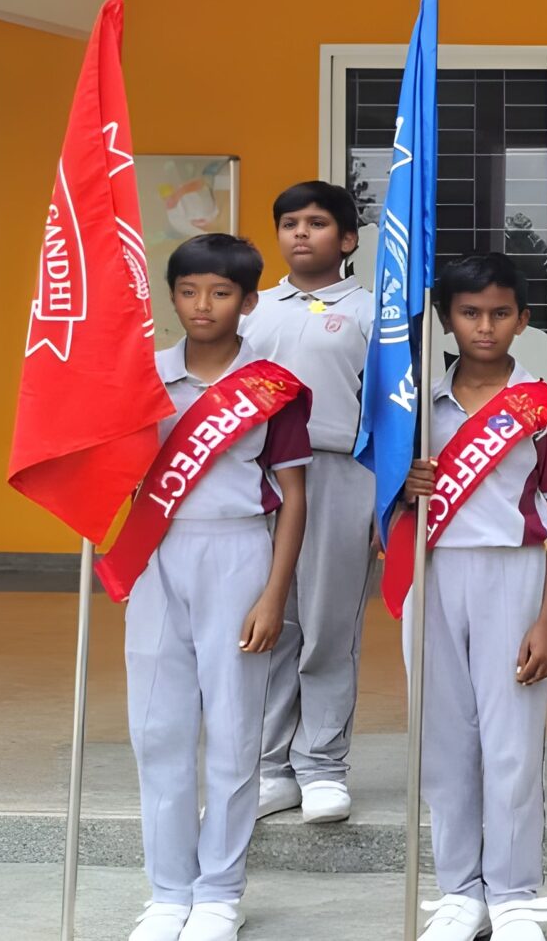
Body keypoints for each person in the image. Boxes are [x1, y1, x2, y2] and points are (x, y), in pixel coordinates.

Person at [125, 234, 313, 941]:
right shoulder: (139, 377)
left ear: (249, 301)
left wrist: (273, 593)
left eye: (221, 292)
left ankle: (219, 894)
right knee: (158, 729)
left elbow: (294, 497)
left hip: (238, 554)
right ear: (171, 297)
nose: (203, 306)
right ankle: (168, 891)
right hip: (155, 553)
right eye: (189, 291)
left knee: (234, 733)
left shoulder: (273, 389)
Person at [398, 252, 547, 941]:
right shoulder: (414, 404)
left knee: (511, 743)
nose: (485, 326)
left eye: (500, 313)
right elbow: (384, 497)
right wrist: (406, 489)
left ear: (524, 319)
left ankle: (512, 894)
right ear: (447, 318)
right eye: (470, 312)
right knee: (443, 740)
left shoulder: (543, 408)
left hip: (514, 573)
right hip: (433, 571)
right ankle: (457, 892)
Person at [243, 180, 376, 825]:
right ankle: (270, 766)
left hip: (337, 473)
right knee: (269, 623)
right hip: (257, 477)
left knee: (327, 624)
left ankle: (322, 764)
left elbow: (389, 408)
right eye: (290, 221)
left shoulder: (373, 311)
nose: (301, 232)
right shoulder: (252, 309)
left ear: (347, 240)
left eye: (318, 222)